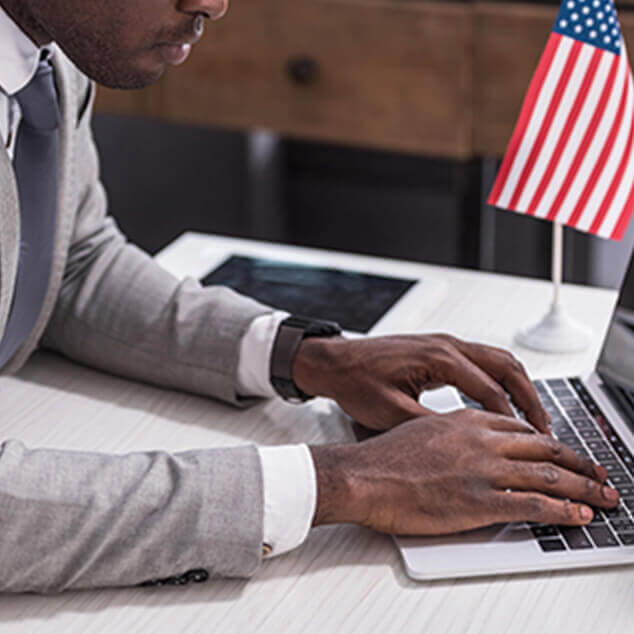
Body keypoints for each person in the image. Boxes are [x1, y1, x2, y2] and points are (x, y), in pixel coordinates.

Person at [0, 0, 619, 594]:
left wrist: (310, 358)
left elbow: (73, 263)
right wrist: (344, 482)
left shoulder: (51, 58)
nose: (213, 4)